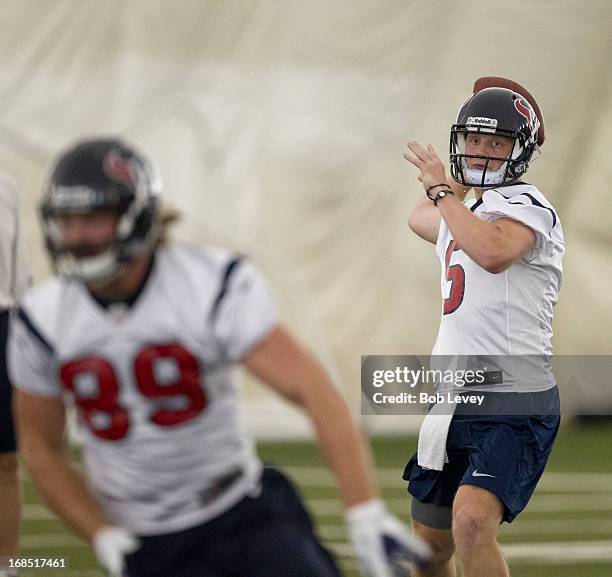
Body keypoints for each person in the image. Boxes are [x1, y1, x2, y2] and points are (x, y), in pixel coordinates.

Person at [9, 138, 431, 577]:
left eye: (92, 220)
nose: (75, 237)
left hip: (240, 515)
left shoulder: (206, 285)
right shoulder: (43, 318)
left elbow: (312, 387)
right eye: (67, 221)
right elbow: (40, 446)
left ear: (136, 216)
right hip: (143, 537)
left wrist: (363, 512)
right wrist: (101, 533)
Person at [401, 78, 564, 577]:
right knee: (428, 548)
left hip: (515, 395)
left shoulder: (528, 207)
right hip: (454, 397)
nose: (482, 152)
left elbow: (492, 253)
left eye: (496, 143)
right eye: (474, 140)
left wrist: (444, 190)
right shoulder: (465, 210)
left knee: (471, 522)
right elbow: (419, 218)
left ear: (518, 153)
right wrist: (456, 194)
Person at [0, 172, 30, 577]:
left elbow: (19, 270)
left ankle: (8, 567)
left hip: (2, 324)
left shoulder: (5, 184)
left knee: (5, 460)